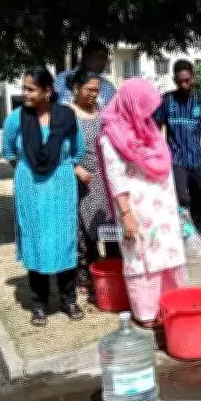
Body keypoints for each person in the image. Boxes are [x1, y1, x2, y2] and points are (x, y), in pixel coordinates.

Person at [1, 66, 86, 326]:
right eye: (23, 88)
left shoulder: (67, 116)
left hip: (61, 185)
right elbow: (8, 151)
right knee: (35, 239)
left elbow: (78, 150)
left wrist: (60, 169)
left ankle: (68, 299)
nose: (24, 93)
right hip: (31, 187)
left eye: (30, 88)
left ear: (47, 91)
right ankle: (38, 303)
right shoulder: (16, 119)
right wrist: (28, 173)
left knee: (64, 239)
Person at [98, 78, 187, 327]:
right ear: (131, 105)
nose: (148, 113)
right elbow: (115, 176)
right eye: (144, 107)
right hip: (137, 208)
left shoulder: (147, 129)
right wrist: (126, 214)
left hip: (163, 209)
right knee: (141, 256)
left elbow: (162, 164)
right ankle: (147, 313)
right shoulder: (111, 136)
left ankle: (169, 305)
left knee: (167, 253)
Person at [154, 59, 201, 235]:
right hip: (175, 160)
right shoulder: (166, 101)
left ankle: (198, 238)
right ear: (174, 79)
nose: (183, 84)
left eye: (187, 80)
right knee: (182, 198)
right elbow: (156, 129)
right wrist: (156, 155)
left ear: (193, 77)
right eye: (179, 81)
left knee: (198, 201)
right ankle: (183, 236)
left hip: (197, 161)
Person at [68, 67, 120, 298]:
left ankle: (113, 275)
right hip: (81, 180)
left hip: (106, 180)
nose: (93, 95)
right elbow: (57, 147)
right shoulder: (66, 113)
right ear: (76, 89)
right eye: (89, 90)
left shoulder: (103, 111)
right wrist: (75, 167)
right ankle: (87, 275)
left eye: (97, 91)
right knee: (85, 232)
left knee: (110, 228)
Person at [53, 39, 116, 109]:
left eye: (106, 58)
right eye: (101, 57)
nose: (104, 62)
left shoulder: (109, 87)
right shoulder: (63, 78)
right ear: (87, 56)